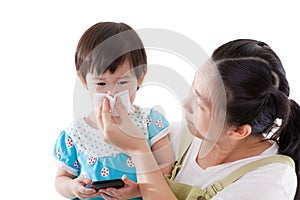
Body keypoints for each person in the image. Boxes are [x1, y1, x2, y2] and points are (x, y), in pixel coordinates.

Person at [97, 39, 300, 199]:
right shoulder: (185, 138)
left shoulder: (270, 182)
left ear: (239, 131)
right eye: (193, 89)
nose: (185, 104)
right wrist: (141, 189)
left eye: (200, 103)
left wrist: (139, 151)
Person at [52, 22, 174, 200]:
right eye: (101, 84)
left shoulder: (150, 122)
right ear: (83, 80)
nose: (112, 93)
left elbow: (167, 169)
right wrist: (72, 187)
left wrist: (139, 189)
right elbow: (61, 179)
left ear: (141, 77)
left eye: (122, 83)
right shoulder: (75, 134)